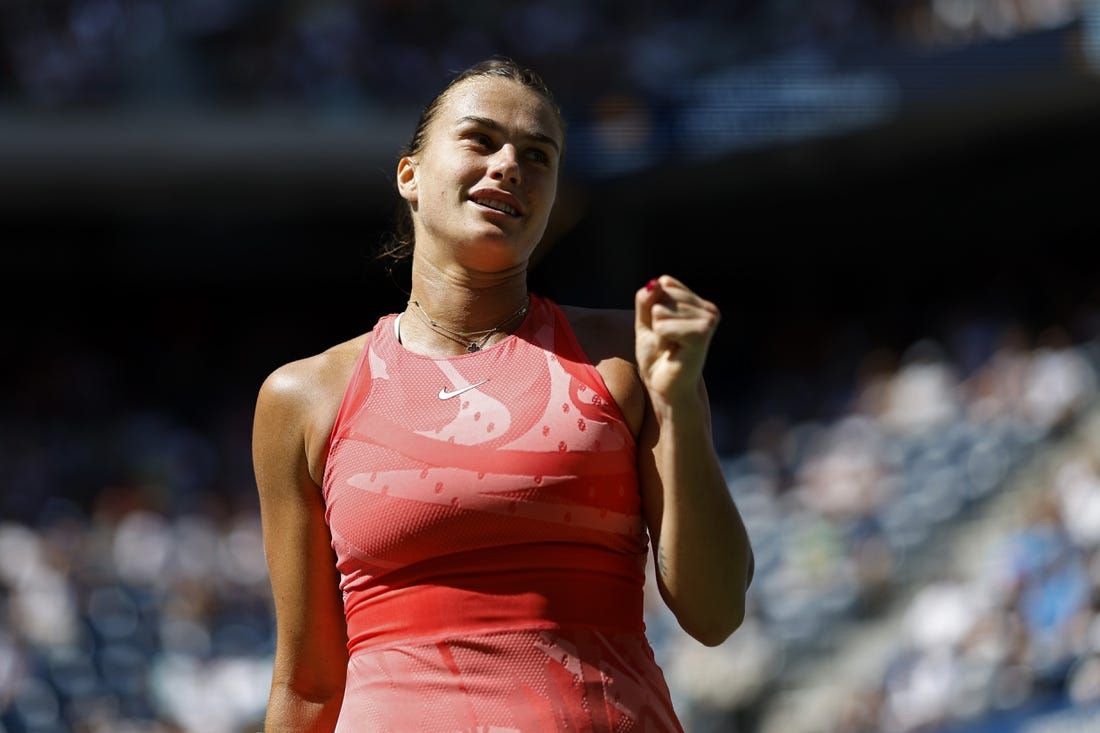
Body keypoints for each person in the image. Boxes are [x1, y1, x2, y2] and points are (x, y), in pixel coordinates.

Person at [251, 56, 754, 732]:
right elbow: (308, 684)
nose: (510, 164)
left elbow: (716, 612)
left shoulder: (628, 358)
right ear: (410, 175)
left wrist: (681, 404)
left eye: (537, 155)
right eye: (481, 140)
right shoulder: (303, 396)